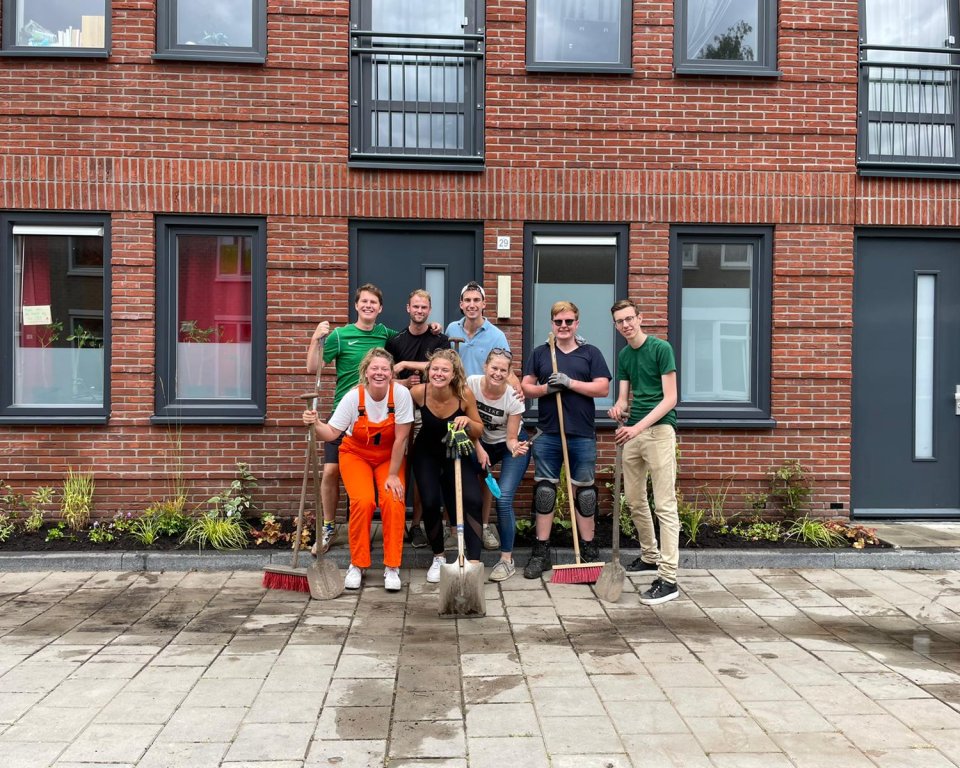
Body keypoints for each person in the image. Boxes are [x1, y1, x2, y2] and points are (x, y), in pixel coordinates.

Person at [306, 283, 438, 554]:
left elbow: (406, 345)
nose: (368, 306)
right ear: (356, 305)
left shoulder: (386, 334)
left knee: (385, 476)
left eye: (373, 303)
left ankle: (382, 526)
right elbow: (313, 367)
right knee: (330, 471)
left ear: (380, 308)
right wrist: (315, 339)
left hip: (380, 414)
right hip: (345, 411)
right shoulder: (340, 335)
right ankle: (329, 526)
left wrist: (432, 328)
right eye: (363, 302)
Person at [302, 348, 413, 592]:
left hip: (389, 458)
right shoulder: (353, 397)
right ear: (365, 371)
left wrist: (393, 475)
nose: (379, 373)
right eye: (374, 368)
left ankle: (392, 566)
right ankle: (358, 564)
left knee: (393, 500)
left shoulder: (401, 395)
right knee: (362, 502)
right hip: (356, 455)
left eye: (384, 369)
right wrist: (316, 423)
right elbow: (332, 433)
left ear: (391, 373)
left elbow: (401, 439)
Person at [520, 301, 611, 580]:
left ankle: (588, 552)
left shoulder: (590, 353)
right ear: (552, 324)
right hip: (548, 433)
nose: (563, 326)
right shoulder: (541, 353)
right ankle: (541, 552)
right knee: (545, 491)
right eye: (558, 322)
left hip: (581, 434)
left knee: (584, 494)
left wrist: (570, 383)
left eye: (568, 321)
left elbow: (603, 388)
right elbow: (525, 387)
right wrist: (547, 388)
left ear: (576, 323)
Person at [608, 298, 680, 605]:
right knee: (635, 500)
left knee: (664, 505)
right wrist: (618, 408)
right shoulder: (625, 355)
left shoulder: (661, 349)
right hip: (633, 433)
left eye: (629, 318)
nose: (625, 325)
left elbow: (670, 399)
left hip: (659, 432)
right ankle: (650, 555)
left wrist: (637, 428)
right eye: (619, 321)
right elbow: (624, 398)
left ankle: (669, 579)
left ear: (640, 318)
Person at [445, 281, 517, 551]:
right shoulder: (452, 329)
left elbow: (507, 370)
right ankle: (453, 528)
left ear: (484, 304)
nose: (472, 305)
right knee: (453, 466)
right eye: (467, 300)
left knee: (483, 470)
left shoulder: (496, 335)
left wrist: (517, 392)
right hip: (455, 405)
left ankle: (484, 527)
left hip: (483, 409)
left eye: (477, 300)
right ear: (461, 304)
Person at [409, 348, 485, 583]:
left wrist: (468, 421)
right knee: (431, 502)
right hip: (426, 453)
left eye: (445, 370)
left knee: (472, 500)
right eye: (435, 369)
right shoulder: (418, 392)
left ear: (453, 374)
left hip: (456, 452)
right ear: (428, 370)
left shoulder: (464, 394)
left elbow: (479, 429)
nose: (439, 374)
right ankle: (439, 557)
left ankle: (473, 562)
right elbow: (402, 419)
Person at [385, 289, 449, 549]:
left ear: (429, 310)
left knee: (424, 467)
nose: (420, 311)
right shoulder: (396, 340)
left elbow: (444, 366)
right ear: (408, 308)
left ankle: (416, 526)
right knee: (400, 465)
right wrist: (403, 380)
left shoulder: (439, 338)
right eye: (416, 307)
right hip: (401, 410)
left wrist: (405, 364)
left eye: (424, 307)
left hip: (427, 411)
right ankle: (397, 521)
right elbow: (385, 376)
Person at [467, 348, 530, 581]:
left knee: (503, 499)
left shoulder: (513, 398)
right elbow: (466, 420)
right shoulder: (471, 384)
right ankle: (465, 541)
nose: (498, 373)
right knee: (468, 490)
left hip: (509, 446)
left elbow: (511, 438)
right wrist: (478, 447)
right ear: (485, 367)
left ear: (509, 372)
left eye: (503, 370)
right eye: (494, 368)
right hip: (480, 442)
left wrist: (516, 448)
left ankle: (506, 560)